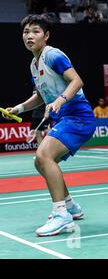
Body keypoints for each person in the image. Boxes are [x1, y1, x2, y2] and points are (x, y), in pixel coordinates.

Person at [3, 14, 96, 236]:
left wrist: (60, 100)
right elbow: (40, 96)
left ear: (46, 36)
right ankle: (71, 206)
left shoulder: (53, 55)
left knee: (44, 156)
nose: (29, 36)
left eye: (35, 31)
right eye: (26, 32)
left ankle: (61, 214)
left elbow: (77, 81)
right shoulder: (35, 64)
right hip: (66, 118)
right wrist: (18, 109)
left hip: (78, 116)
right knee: (40, 161)